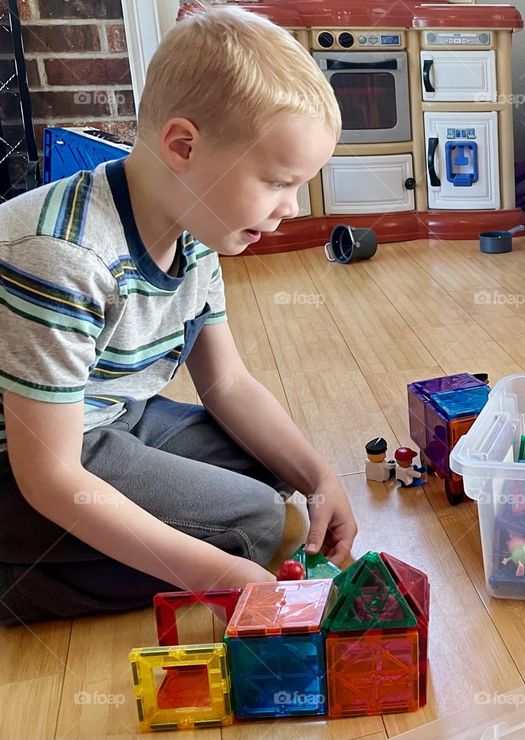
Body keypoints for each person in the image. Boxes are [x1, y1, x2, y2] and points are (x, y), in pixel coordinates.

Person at [0, 6, 356, 625]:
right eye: (276, 181)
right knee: (255, 523)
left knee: (270, 475)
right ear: (183, 146)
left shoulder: (194, 230)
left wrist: (319, 475)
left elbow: (227, 384)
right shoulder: (66, 257)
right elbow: (50, 475)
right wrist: (216, 573)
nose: (292, 208)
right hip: (25, 460)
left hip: (110, 417)